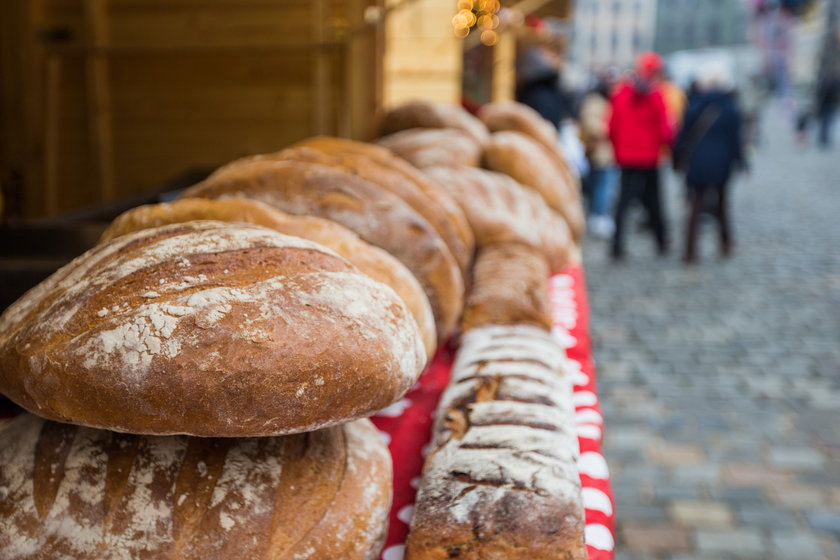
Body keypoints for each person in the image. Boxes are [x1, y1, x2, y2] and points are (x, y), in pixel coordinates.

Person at [674, 62, 745, 265]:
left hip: (698, 161)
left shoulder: (696, 104)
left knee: (695, 206)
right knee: (722, 204)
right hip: (721, 161)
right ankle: (725, 243)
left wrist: (677, 158)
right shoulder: (730, 106)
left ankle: (690, 250)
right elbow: (735, 139)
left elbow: (683, 135)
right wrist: (739, 161)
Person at [607, 52, 674, 261]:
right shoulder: (656, 95)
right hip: (649, 157)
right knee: (654, 201)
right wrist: (667, 146)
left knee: (623, 203)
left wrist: (618, 149)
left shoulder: (621, 94)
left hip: (627, 157)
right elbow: (664, 129)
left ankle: (616, 246)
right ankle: (661, 242)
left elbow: (611, 126)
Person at [579, 71, 619, 238]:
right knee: (601, 185)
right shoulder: (595, 100)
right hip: (599, 150)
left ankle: (600, 215)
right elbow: (589, 122)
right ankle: (598, 216)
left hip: (608, 151)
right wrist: (608, 129)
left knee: (604, 185)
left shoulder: (612, 99)